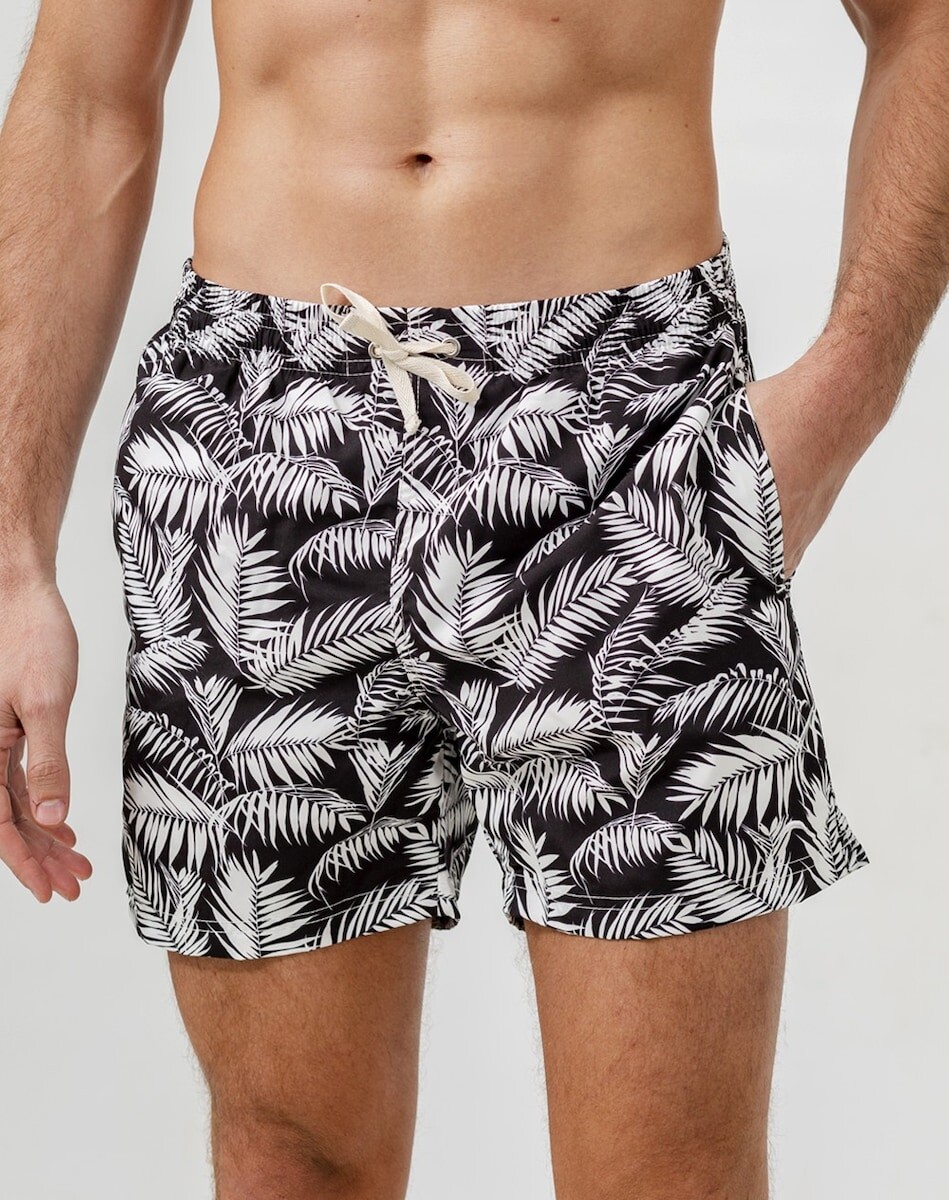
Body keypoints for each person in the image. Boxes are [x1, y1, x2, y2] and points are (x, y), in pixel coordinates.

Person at [0, 0, 945, 1196]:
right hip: (256, 438)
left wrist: (843, 398)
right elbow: (85, 96)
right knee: (290, 1158)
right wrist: (13, 556)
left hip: (631, 424)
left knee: (670, 1175)